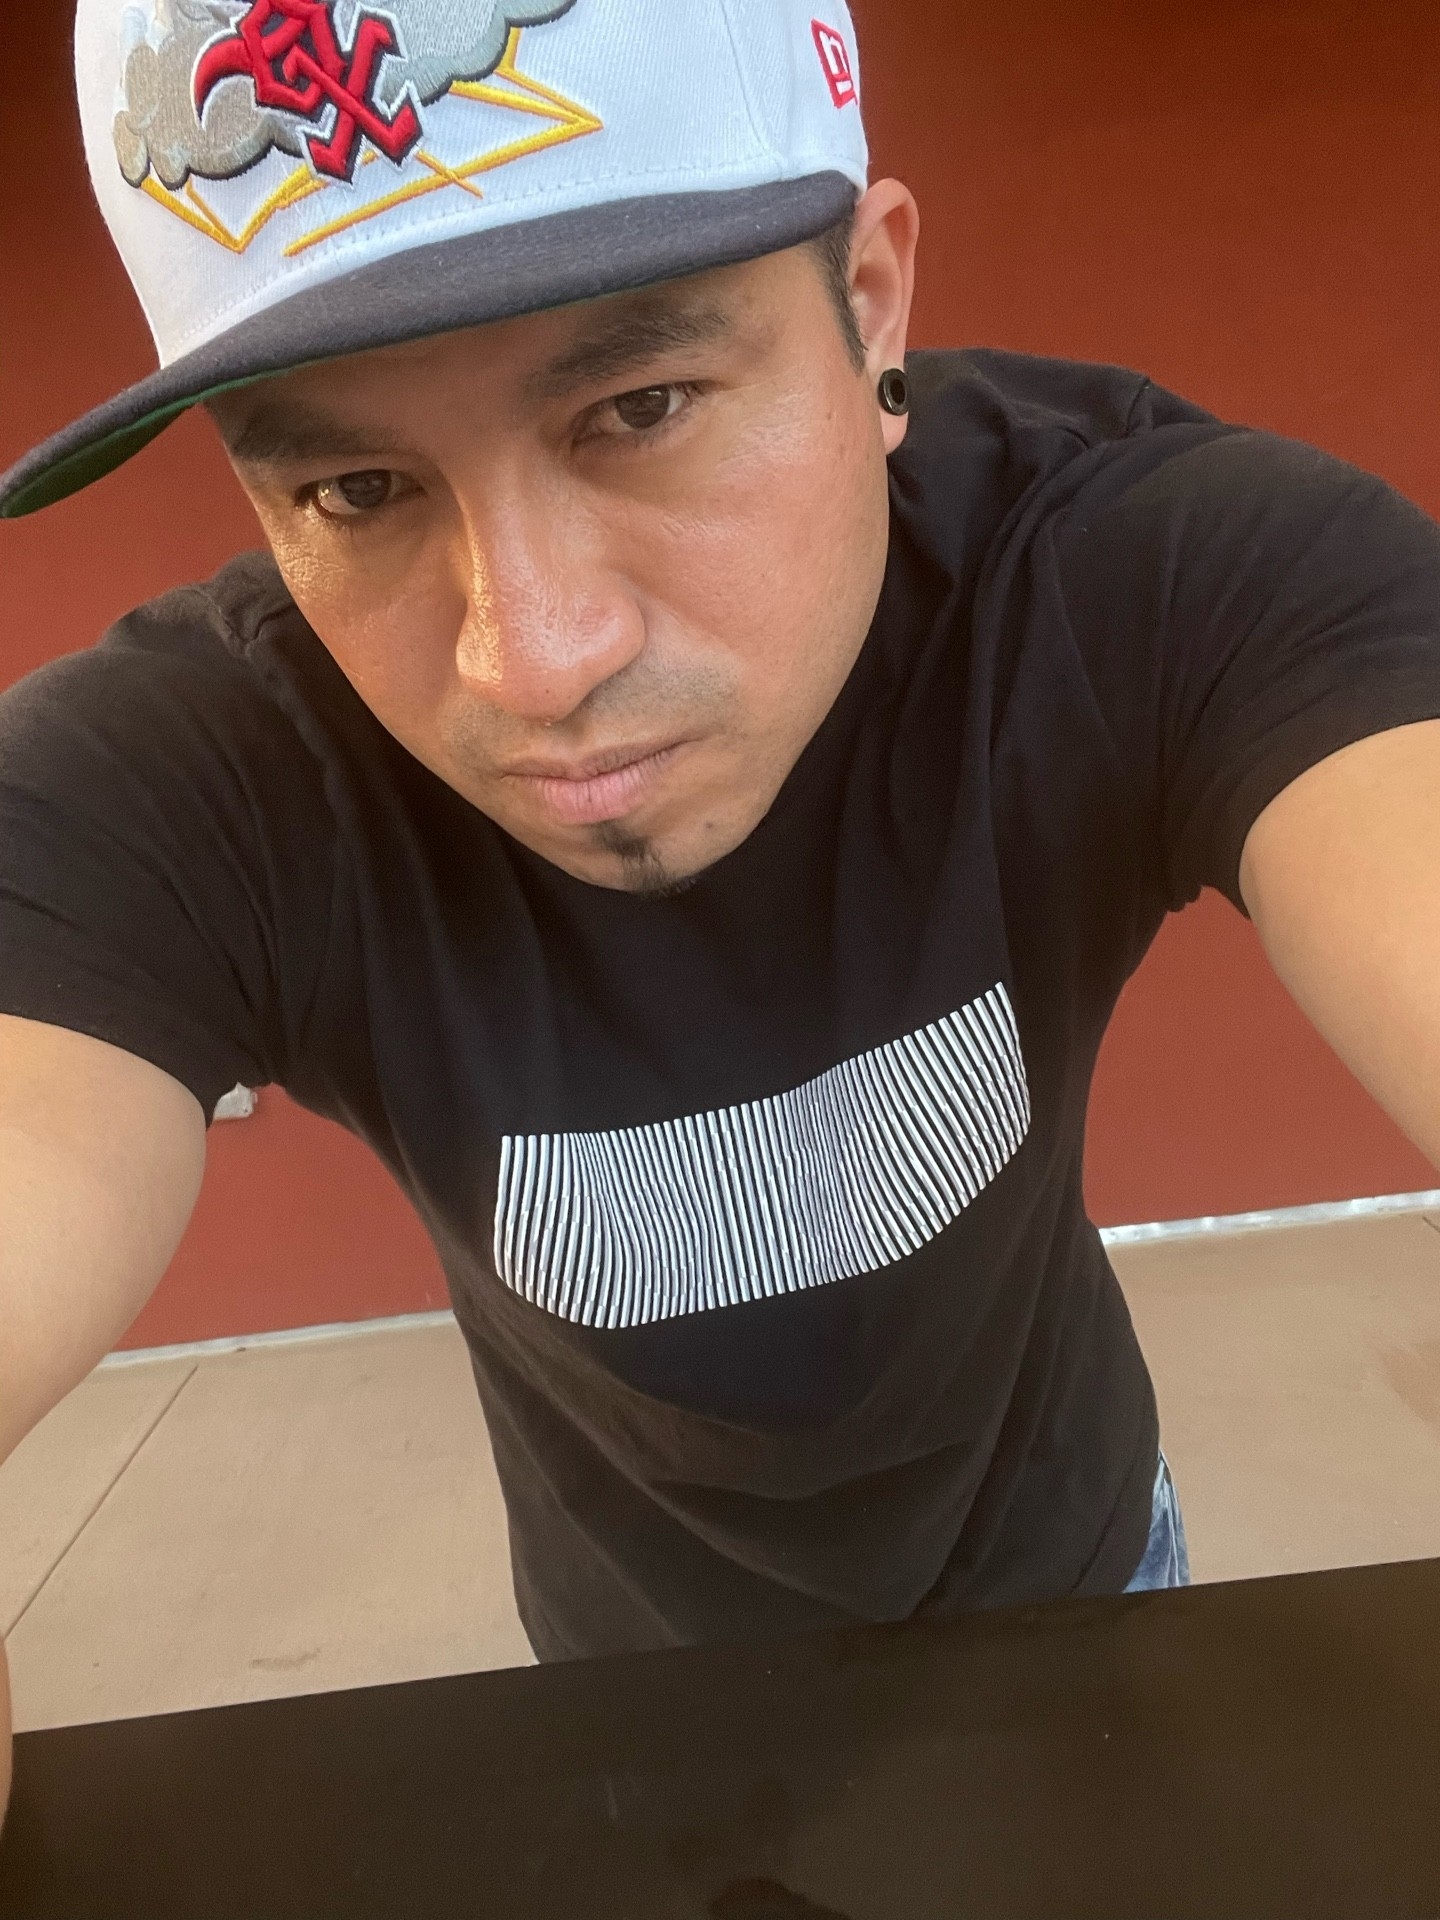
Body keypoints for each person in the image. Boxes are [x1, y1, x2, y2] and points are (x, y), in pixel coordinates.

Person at [2, 0, 1438, 1819]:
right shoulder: (207, 776)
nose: (534, 658)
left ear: (872, 301)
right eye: (356, 488)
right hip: (634, 1693)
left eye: (643, 406)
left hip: (1095, 1578)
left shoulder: (1129, 572)